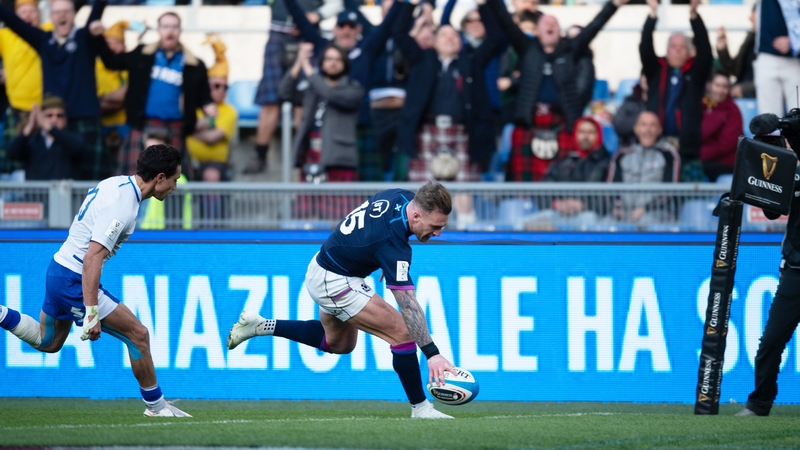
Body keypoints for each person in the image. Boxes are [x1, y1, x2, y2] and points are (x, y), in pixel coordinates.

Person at [228, 180, 457, 419]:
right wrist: (432, 354)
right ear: (417, 215)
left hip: (327, 263)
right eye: (435, 226)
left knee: (339, 344)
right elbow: (408, 305)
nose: (439, 232)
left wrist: (382, 259)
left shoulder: (399, 196)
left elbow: (374, 228)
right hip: (334, 280)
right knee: (403, 332)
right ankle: (420, 408)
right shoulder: (391, 244)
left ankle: (260, 325)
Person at [0, 144, 191, 418]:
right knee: (138, 335)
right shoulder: (123, 207)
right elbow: (92, 258)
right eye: (174, 180)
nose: (174, 187)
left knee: (48, 341)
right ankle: (157, 407)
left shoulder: (116, 184)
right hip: (74, 277)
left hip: (59, 268)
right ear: (159, 177)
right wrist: (91, 313)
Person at [488, 0, 629, 182]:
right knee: (524, 181)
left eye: (554, 24)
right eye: (545, 23)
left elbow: (593, 27)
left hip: (562, 121)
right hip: (530, 123)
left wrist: (613, 5)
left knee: (561, 177)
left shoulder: (570, 49)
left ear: (559, 31)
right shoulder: (527, 48)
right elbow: (506, 21)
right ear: (537, 32)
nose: (550, 26)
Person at [281, 0, 402, 181]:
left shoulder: (366, 50)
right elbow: (302, 22)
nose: (346, 31)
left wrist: (402, 4)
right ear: (335, 29)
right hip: (330, 129)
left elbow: (386, 27)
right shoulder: (324, 48)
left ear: (359, 29)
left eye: (351, 27)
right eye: (342, 26)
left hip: (361, 126)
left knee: (365, 188)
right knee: (327, 194)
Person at [93, 7, 216, 178]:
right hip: (143, 125)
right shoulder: (142, 54)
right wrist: (98, 37)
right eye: (165, 26)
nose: (170, 31)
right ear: (158, 30)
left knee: (171, 183)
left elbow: (204, 96)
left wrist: (208, 106)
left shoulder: (195, 64)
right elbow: (112, 62)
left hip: (176, 128)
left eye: (174, 27)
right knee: (135, 180)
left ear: (180, 30)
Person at [392, 0, 503, 182]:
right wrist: (410, 4)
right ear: (434, 42)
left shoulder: (472, 61)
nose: (450, 38)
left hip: (463, 132)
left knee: (463, 193)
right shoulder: (421, 59)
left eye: (454, 36)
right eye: (444, 35)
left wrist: (484, 6)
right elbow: (398, 33)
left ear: (461, 42)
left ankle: (465, 213)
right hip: (427, 130)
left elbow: (495, 38)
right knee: (425, 195)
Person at [0, 0, 108, 180]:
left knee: (89, 182)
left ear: (74, 14)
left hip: (85, 121)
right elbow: (13, 21)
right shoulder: (44, 40)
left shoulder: (85, 36)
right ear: (51, 17)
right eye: (57, 12)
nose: (62, 15)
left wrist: (96, 28)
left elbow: (98, 8)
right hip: (54, 119)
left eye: (66, 11)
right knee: (51, 176)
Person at [737, 139, 800, 417]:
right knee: (771, 341)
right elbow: (772, 209)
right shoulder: (791, 171)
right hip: (796, 270)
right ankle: (759, 404)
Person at [245, 0, 343, 174]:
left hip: (308, 33)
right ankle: (260, 155)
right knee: (270, 100)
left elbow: (336, 3)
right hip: (278, 30)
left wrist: (317, 15)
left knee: (304, 101)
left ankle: (303, 153)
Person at [281, 43, 363, 220]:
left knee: (342, 220)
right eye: (328, 59)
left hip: (338, 158)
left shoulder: (353, 89)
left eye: (337, 59)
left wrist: (309, 71)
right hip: (312, 155)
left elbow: (331, 94)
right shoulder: (312, 88)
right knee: (306, 217)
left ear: (345, 64)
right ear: (322, 62)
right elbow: (285, 92)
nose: (332, 63)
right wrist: (299, 62)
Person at [640, 0, 712, 181]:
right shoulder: (656, 70)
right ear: (667, 50)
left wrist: (694, 17)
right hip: (656, 145)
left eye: (682, 47)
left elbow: (705, 51)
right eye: (673, 47)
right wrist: (653, 15)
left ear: (689, 52)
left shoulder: (695, 73)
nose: (678, 51)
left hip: (686, 149)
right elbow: (645, 48)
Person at [523, 117, 611, 230]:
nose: (586, 136)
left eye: (591, 132)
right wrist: (556, 204)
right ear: (575, 134)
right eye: (582, 132)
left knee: (588, 220)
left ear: (599, 135)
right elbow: (543, 191)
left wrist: (583, 205)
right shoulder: (565, 161)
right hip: (560, 213)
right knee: (521, 224)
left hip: (589, 214)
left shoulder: (607, 163)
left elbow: (609, 199)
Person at [0, 0, 52, 176]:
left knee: (46, 159)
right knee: (13, 162)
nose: (28, 15)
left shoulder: (47, 31)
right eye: (23, 12)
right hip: (17, 110)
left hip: (46, 110)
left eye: (32, 11)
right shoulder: (5, 35)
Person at [606, 111, 680, 225]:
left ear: (659, 130)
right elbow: (611, 188)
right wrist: (616, 207)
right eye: (643, 125)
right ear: (636, 129)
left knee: (645, 221)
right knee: (605, 224)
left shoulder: (669, 154)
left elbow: (670, 190)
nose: (648, 129)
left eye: (652, 125)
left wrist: (645, 208)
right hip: (625, 212)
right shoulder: (621, 155)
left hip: (658, 212)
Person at [186, 35, 238, 183]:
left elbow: (212, 138)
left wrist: (189, 130)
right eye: (216, 85)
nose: (221, 90)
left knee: (211, 176)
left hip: (214, 163)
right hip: (186, 159)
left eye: (224, 86)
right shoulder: (194, 105)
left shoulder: (229, 110)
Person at [6, 95, 87, 180]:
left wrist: (51, 129)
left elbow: (79, 147)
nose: (54, 120)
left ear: (65, 119)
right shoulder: (33, 140)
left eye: (59, 115)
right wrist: (29, 128)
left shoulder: (71, 139)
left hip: (64, 192)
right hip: (36, 192)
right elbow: (12, 153)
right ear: (40, 118)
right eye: (49, 115)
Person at [753, 0, 800, 116]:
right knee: (768, 118)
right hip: (766, 57)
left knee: (797, 114)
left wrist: (794, 40)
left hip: (795, 60)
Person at [95, 20, 130, 171]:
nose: (112, 47)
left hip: (125, 126)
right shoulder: (93, 68)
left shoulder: (129, 69)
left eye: (117, 42)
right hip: (100, 125)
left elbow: (127, 97)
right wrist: (116, 100)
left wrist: (103, 100)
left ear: (124, 47)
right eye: (108, 43)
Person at [700, 71, 742, 182]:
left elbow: (726, 145)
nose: (720, 90)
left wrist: (699, 155)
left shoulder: (733, 110)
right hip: (704, 158)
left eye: (725, 87)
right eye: (717, 85)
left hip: (726, 162)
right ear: (708, 85)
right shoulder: (700, 106)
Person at [715, 7, 756, 99]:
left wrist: (744, 88)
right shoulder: (750, 38)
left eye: (753, 13)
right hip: (741, 94)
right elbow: (734, 69)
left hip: (756, 96)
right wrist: (723, 50)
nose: (750, 18)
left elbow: (769, 79)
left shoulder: (771, 43)